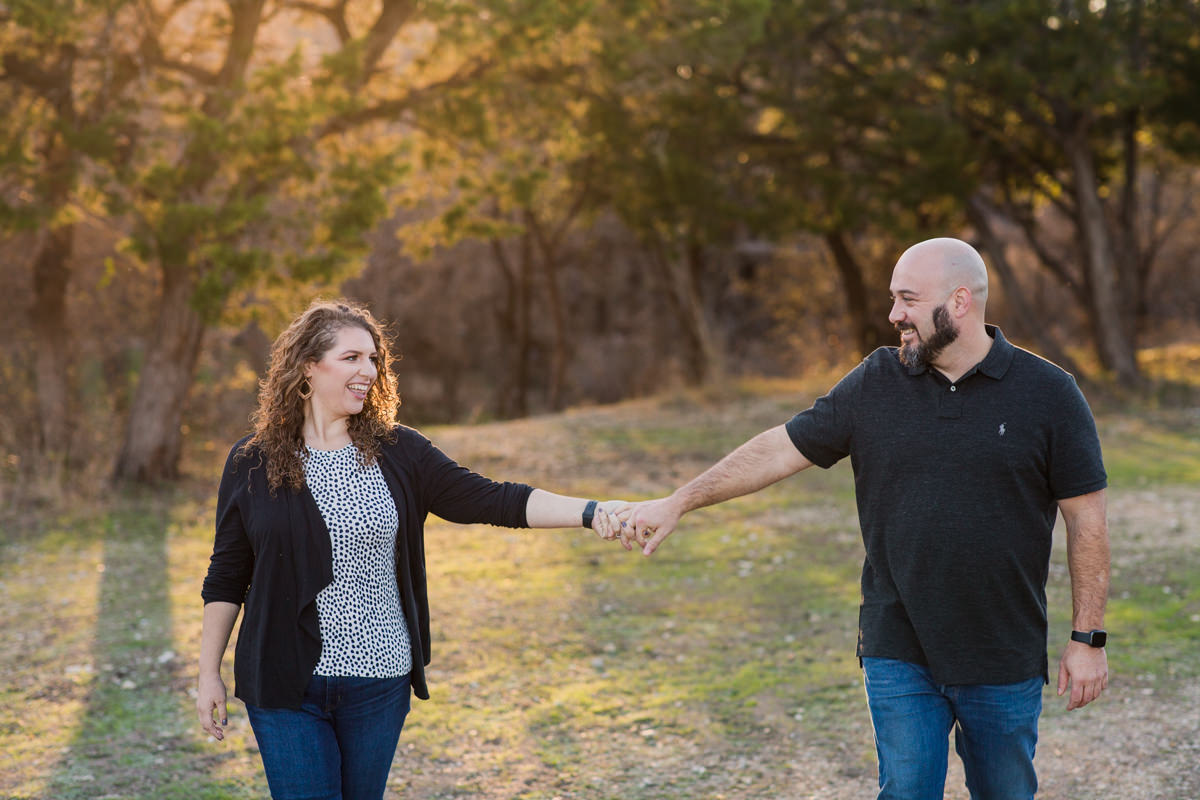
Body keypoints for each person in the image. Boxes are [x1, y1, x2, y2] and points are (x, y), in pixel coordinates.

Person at [618, 238, 1110, 800]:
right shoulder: (878, 381)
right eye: (893, 299)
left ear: (959, 302)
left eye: (907, 299)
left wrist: (1087, 639)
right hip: (898, 643)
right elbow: (781, 448)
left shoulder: (1049, 394)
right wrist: (679, 500)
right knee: (904, 791)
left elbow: (1087, 522)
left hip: (1002, 650)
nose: (895, 314)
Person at [197, 299, 624, 800]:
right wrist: (209, 675)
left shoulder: (401, 452)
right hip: (283, 683)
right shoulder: (252, 461)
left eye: (374, 359)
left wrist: (592, 511)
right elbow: (227, 575)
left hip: (379, 681)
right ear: (309, 366)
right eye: (352, 358)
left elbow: (494, 499)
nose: (369, 371)